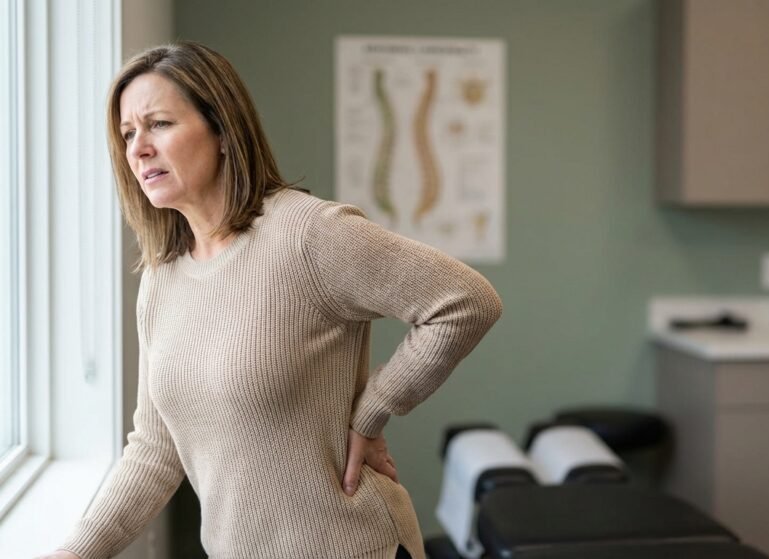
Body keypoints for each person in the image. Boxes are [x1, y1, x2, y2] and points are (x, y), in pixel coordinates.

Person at [37, 41, 502, 559]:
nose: (138, 148)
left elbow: (465, 301)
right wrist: (75, 552)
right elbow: (155, 449)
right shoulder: (161, 280)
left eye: (159, 124)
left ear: (222, 129)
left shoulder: (308, 235)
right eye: (128, 133)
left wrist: (374, 409)